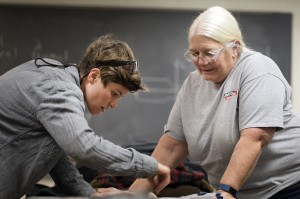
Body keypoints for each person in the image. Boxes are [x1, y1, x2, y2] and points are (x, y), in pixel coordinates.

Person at [128, 6, 300, 199]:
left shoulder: (257, 69)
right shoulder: (193, 84)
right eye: (194, 54)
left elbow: (255, 138)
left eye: (209, 53)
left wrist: (225, 192)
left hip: (287, 186)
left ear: (234, 48)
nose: (201, 62)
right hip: (238, 192)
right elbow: (172, 145)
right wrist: (130, 195)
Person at [0, 34, 170, 198]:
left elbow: (61, 167)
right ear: (94, 76)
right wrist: (150, 166)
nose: (114, 104)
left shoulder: (53, 75)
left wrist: (91, 195)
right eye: (114, 93)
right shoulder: (60, 91)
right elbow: (84, 147)